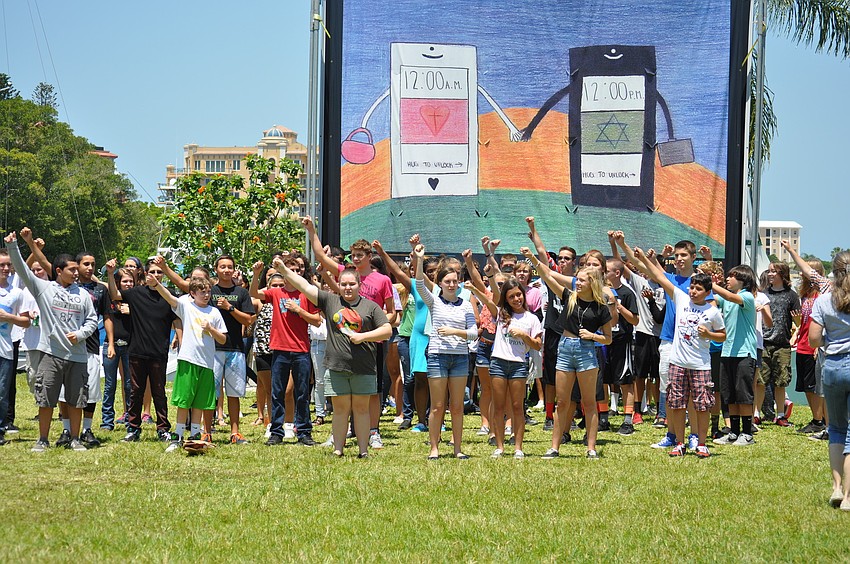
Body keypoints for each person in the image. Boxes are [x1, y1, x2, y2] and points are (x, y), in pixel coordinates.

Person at [274, 259, 391, 457]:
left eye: (351, 284)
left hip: (364, 367)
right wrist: (284, 270)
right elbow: (304, 286)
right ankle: (338, 449)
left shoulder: (370, 307)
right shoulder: (331, 301)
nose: (347, 288)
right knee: (340, 410)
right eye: (343, 284)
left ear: (359, 285)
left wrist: (362, 337)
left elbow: (387, 330)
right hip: (336, 366)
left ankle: (363, 450)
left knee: (362, 410)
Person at [306, 217, 396, 449]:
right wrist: (312, 231)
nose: (355, 259)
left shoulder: (382, 279)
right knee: (342, 391)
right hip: (343, 341)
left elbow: (392, 314)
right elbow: (321, 256)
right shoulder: (345, 274)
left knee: (373, 390)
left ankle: (373, 431)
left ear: (369, 257)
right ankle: (342, 432)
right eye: (352, 255)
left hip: (371, 341)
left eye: (359, 255)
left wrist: (375, 328)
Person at [7, 229, 97, 452]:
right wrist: (13, 247)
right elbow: (22, 271)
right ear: (59, 271)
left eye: (77, 269)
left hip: (77, 355)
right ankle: (43, 439)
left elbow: (92, 321)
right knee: (45, 399)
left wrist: (80, 334)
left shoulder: (83, 295)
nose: (76, 273)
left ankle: (75, 439)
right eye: (72, 270)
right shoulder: (44, 289)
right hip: (50, 354)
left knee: (77, 400)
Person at [634, 247, 725, 457]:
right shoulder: (681, 298)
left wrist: (709, 335)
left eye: (698, 289)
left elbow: (722, 335)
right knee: (676, 403)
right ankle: (679, 443)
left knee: (701, 405)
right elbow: (657, 275)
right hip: (678, 362)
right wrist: (641, 257)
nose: (692, 291)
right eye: (692, 287)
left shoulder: (712, 312)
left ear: (708, 292)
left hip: (700, 364)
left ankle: (701, 443)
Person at [522, 247, 612, 459]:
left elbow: (608, 338)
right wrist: (532, 258)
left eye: (582, 280)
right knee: (562, 402)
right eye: (577, 279)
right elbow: (547, 275)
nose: (577, 283)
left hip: (586, 352)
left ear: (592, 283)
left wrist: (593, 336)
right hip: (565, 348)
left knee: (589, 403)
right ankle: (554, 447)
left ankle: (591, 448)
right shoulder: (568, 297)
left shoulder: (600, 307)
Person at [467, 269, 542, 458]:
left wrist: (524, 336)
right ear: (506, 299)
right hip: (499, 363)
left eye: (518, 295)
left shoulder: (532, 319)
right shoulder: (501, 314)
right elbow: (488, 299)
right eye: (511, 297)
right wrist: (480, 284)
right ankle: (500, 446)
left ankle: (518, 447)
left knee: (517, 407)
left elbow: (537, 344)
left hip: (518, 365)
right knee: (498, 406)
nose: (516, 299)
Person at [105, 258, 180, 443]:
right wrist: (109, 273)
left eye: (159, 272)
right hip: (137, 350)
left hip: (159, 352)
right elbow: (115, 295)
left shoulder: (169, 295)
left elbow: (176, 318)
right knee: (135, 391)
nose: (155, 275)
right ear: (145, 274)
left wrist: (179, 337)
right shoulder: (136, 292)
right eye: (152, 272)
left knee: (159, 392)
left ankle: (163, 429)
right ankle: (133, 428)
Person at [414, 243, 478, 460]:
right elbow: (420, 284)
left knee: (457, 406)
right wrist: (419, 258)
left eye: (454, 281)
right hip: (437, 356)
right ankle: (434, 448)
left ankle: (457, 449)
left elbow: (474, 333)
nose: (452, 284)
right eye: (447, 281)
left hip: (460, 358)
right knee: (437, 406)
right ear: (440, 283)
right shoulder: (434, 302)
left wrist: (455, 332)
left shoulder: (466, 304)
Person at [150, 274, 227, 451]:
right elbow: (170, 298)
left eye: (208, 292)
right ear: (192, 293)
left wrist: (211, 329)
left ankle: (194, 435)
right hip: (188, 359)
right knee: (184, 400)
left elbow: (222, 339)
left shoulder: (214, 312)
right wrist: (157, 284)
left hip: (206, 363)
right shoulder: (186, 305)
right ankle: (177, 436)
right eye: (202, 292)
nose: (206, 295)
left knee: (200, 402)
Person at [250, 257, 322, 446]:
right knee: (277, 392)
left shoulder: (306, 294)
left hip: (301, 349)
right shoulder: (276, 292)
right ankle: (276, 431)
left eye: (298, 270)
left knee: (302, 393)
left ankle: (304, 432)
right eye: (290, 270)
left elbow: (317, 321)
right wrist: (256, 274)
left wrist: (300, 311)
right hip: (280, 350)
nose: (295, 273)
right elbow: (254, 293)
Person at [808, 251, 850, 510]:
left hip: (833, 366)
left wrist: (831, 342)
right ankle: (849, 497)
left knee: (835, 427)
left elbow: (813, 339)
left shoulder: (823, 301)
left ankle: (836, 488)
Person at [782, 239, 831, 438]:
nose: (804, 273)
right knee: (807, 386)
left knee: (817, 386)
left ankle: (822, 421)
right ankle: (817, 419)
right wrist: (796, 331)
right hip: (803, 342)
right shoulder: (805, 294)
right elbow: (805, 320)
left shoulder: (824, 293)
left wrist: (791, 250)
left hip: (817, 346)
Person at [711, 265, 759, 447]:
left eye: (732, 277)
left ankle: (747, 433)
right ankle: (734, 432)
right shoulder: (728, 298)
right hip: (727, 352)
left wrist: (712, 284)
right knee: (729, 394)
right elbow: (714, 301)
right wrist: (708, 287)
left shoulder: (746, 296)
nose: (728, 279)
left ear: (743, 280)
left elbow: (729, 296)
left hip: (744, 353)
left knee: (743, 394)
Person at [757, 262, 800, 427]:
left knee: (781, 381)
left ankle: (780, 415)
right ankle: (756, 414)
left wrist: (794, 335)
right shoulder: (763, 293)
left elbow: (798, 319)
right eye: (769, 271)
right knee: (760, 381)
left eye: (774, 271)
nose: (770, 274)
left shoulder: (791, 295)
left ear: (782, 274)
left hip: (782, 344)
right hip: (764, 342)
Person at [603, 258, 640, 435]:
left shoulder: (627, 293)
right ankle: (603, 417)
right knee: (602, 380)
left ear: (617, 273)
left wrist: (618, 306)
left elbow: (635, 319)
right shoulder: (600, 291)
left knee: (625, 381)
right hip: (602, 340)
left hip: (621, 340)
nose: (603, 273)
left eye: (607, 270)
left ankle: (627, 419)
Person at [0, 247, 31, 446]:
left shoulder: (17, 293)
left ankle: (1, 429)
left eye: (8, 265)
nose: (5, 268)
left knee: (2, 392)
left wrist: (8, 317)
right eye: (1, 265)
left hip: (5, 349)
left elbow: (26, 321)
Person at [101, 268, 134, 431]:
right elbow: (108, 318)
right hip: (111, 345)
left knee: (130, 385)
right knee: (110, 384)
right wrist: (112, 343)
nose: (128, 284)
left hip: (131, 347)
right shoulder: (110, 297)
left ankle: (130, 419)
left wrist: (132, 311)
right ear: (118, 282)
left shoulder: (136, 298)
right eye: (124, 281)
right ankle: (107, 421)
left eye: (130, 281)